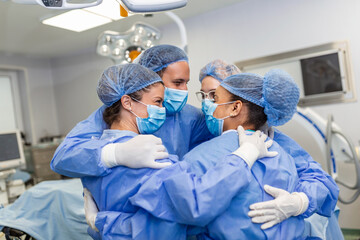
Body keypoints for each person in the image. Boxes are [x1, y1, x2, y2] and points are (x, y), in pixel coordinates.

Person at [82, 63, 280, 239]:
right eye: (158, 102)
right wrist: (244, 156)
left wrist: (100, 222)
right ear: (127, 103)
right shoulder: (154, 160)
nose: (163, 110)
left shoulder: (94, 156)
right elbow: (196, 206)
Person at [196, 60, 341, 239]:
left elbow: (321, 180)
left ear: (236, 104)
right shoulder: (203, 138)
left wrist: (299, 202)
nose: (206, 103)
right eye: (203, 95)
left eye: (214, 96)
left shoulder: (276, 143)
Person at [51, 45, 212, 178]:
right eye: (177, 83)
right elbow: (63, 157)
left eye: (186, 83)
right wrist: (114, 154)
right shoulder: (114, 113)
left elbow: (222, 137)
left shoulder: (190, 117)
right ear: (150, 78)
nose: (184, 90)